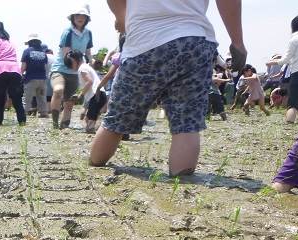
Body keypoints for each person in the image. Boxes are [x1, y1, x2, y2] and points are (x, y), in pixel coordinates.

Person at [90, 0, 247, 177]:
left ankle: (95, 166)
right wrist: (237, 42)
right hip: (194, 40)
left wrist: (121, 17)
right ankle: (183, 184)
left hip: (145, 41)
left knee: (115, 122)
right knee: (187, 124)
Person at [50, 4, 94, 130]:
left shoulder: (88, 33)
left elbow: (88, 52)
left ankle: (64, 125)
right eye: (77, 15)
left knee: (70, 102)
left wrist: (90, 65)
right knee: (58, 90)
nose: (80, 18)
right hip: (61, 69)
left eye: (83, 16)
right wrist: (77, 65)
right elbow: (66, 54)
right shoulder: (67, 32)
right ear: (73, 18)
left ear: (86, 18)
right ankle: (54, 123)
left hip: (75, 72)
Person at [268, 15, 298, 124]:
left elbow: (286, 59)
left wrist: (271, 62)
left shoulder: (294, 39)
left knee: (292, 102)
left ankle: (289, 124)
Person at [71, 51, 102, 133]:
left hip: (95, 95)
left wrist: (80, 95)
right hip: (100, 94)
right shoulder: (86, 67)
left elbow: (89, 82)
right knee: (89, 118)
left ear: (74, 61)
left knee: (89, 126)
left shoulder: (82, 68)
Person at [21, 34, 48, 118]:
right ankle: (43, 112)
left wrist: (21, 74)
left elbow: (23, 67)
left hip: (30, 78)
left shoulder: (27, 51)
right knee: (42, 97)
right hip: (42, 79)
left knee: (27, 98)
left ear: (29, 42)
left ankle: (23, 113)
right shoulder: (43, 53)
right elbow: (45, 66)